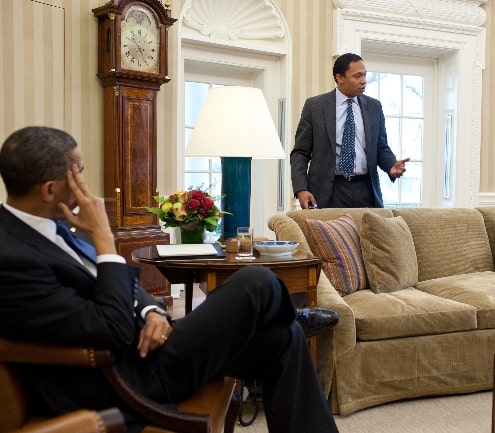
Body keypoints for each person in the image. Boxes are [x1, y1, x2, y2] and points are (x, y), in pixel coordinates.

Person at [0, 126, 340, 433]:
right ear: (49, 189)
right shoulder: (11, 259)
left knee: (284, 337)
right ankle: (287, 311)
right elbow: (111, 326)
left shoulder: (53, 227)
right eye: (78, 174)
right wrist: (105, 238)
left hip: (150, 348)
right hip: (128, 376)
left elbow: (116, 288)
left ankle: (288, 319)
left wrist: (153, 313)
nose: (85, 187)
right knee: (256, 281)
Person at [290, 52, 410, 209]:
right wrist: (301, 188)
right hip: (329, 191)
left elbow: (380, 147)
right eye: (357, 76)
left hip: (366, 189)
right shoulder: (315, 107)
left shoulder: (374, 107)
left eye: (365, 75)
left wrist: (391, 165)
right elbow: (300, 152)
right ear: (340, 78)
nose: (363, 81)